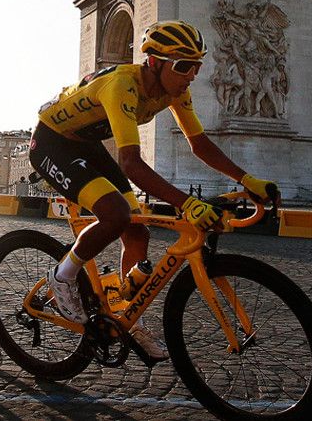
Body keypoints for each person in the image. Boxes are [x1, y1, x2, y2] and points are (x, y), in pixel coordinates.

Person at [29, 20, 280, 362]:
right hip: (52, 142)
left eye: (197, 66)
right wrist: (187, 203)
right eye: (183, 66)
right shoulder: (122, 85)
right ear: (154, 62)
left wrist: (247, 179)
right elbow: (131, 163)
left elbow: (200, 144)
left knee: (137, 234)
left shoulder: (176, 91)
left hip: (86, 143)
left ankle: (130, 321)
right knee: (115, 214)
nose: (191, 75)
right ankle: (63, 276)